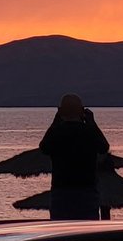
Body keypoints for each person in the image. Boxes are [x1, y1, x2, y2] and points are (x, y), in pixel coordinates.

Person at [38, 92, 110, 220]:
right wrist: (92, 123)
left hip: (61, 192)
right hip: (87, 192)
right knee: (87, 232)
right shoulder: (89, 132)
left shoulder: (57, 132)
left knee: (61, 232)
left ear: (60, 112)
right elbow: (104, 147)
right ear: (82, 111)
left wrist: (55, 123)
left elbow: (44, 147)